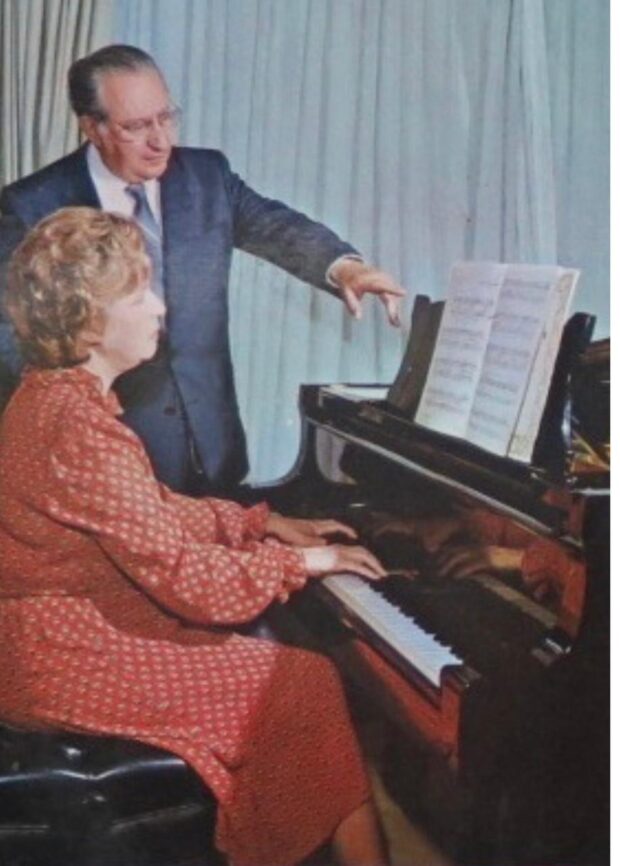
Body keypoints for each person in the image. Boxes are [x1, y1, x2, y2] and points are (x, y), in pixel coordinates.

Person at [0, 207, 392, 866]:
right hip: (65, 661)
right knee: (301, 682)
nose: (160, 306)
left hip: (46, 641)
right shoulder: (79, 428)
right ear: (89, 321)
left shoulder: (52, 398)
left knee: (297, 678)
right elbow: (194, 584)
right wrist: (307, 561)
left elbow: (148, 514)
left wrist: (258, 523)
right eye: (139, 294)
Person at [0, 43, 406, 496]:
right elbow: (11, 339)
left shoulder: (206, 174)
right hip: (106, 460)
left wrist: (345, 268)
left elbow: (274, 226)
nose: (161, 141)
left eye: (166, 117)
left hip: (212, 449)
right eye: (137, 126)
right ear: (92, 128)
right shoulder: (31, 205)